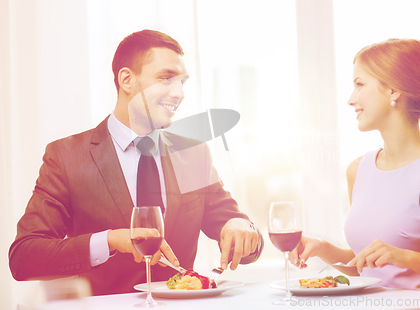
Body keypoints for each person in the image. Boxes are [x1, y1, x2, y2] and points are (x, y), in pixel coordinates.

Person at [9, 29, 263, 296]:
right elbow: (24, 258)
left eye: (182, 83)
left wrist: (240, 227)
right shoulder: (67, 157)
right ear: (127, 80)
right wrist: (111, 240)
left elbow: (239, 235)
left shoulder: (193, 154)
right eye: (166, 79)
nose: (179, 93)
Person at [290, 39, 420, 296]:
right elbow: (370, 269)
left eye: (360, 85)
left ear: (393, 91)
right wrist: (323, 249)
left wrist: (407, 258)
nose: (351, 99)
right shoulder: (358, 170)